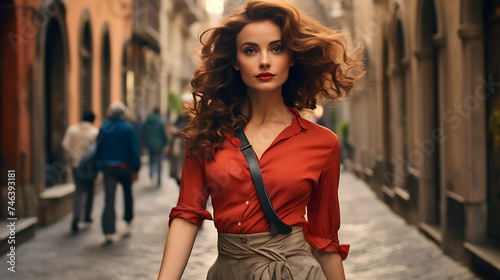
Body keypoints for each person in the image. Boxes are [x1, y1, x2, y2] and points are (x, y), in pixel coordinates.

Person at [157, 0, 361, 279]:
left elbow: (325, 240)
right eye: (250, 50)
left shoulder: (323, 143)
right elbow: (187, 214)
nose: (264, 60)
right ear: (235, 61)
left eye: (276, 48)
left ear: (291, 57)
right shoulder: (206, 135)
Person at [94, 102, 141, 243]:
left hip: (108, 168)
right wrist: (136, 168)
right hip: (125, 168)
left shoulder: (104, 128)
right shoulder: (128, 128)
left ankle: (108, 231)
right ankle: (128, 220)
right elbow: (134, 150)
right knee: (128, 194)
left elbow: (98, 148)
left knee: (109, 198)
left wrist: (97, 165)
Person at [62, 110, 99, 233]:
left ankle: (76, 217)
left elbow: (65, 145)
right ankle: (87, 216)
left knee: (78, 192)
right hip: (90, 168)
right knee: (90, 192)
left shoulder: (72, 130)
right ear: (93, 120)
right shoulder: (95, 132)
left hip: (76, 166)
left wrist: (73, 157)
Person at [142, 107, 167, 186]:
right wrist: (164, 143)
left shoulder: (147, 121)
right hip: (159, 144)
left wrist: (145, 142)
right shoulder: (160, 121)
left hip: (150, 144)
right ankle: (159, 177)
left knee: (151, 160)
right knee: (159, 161)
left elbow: (144, 133)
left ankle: (151, 172)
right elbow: (163, 134)